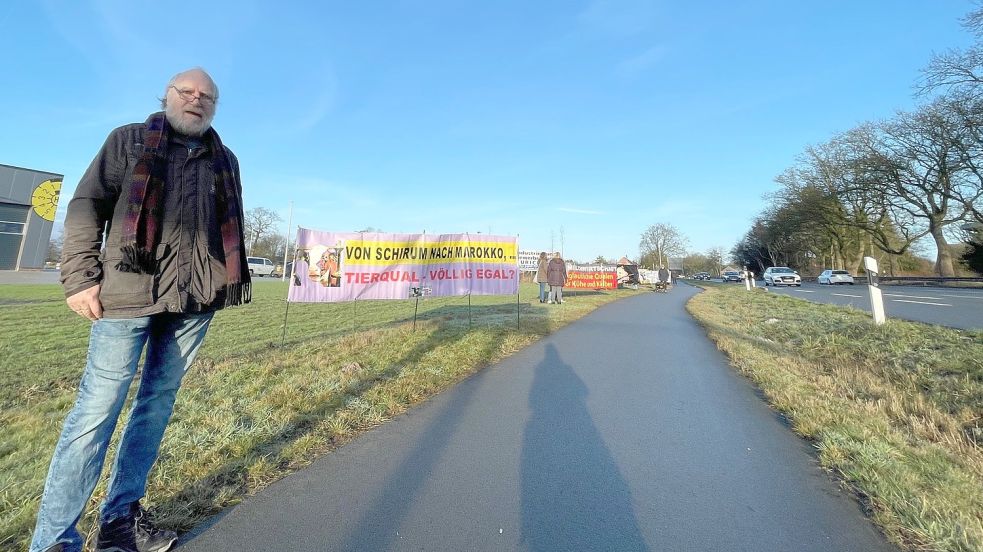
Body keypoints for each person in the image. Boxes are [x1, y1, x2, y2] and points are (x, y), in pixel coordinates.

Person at [30, 68, 249, 552]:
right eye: (187, 92)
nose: (197, 100)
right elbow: (88, 205)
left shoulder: (225, 160)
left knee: (154, 410)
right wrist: (80, 277)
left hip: (193, 304)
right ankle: (54, 541)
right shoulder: (128, 142)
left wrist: (220, 284)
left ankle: (120, 523)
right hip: (125, 297)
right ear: (166, 96)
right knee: (95, 413)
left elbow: (226, 228)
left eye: (207, 97)